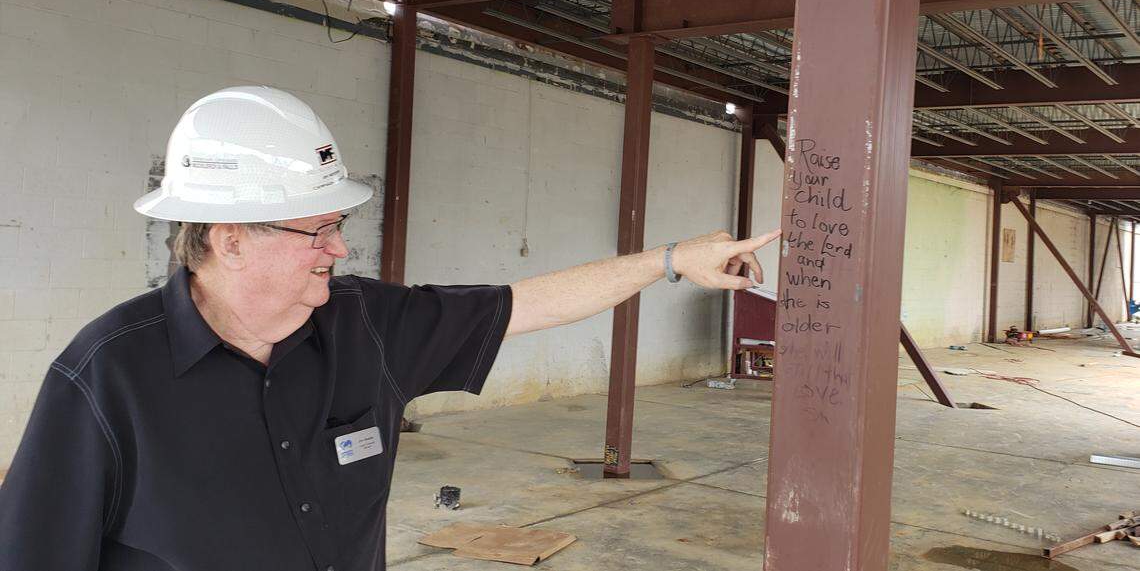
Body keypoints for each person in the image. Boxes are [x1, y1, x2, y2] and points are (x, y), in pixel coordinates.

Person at [0, 87, 779, 570]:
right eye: (317, 229)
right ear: (230, 237)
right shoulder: (106, 379)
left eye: (338, 225)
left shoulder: (365, 325)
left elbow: (527, 302)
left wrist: (673, 258)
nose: (338, 248)